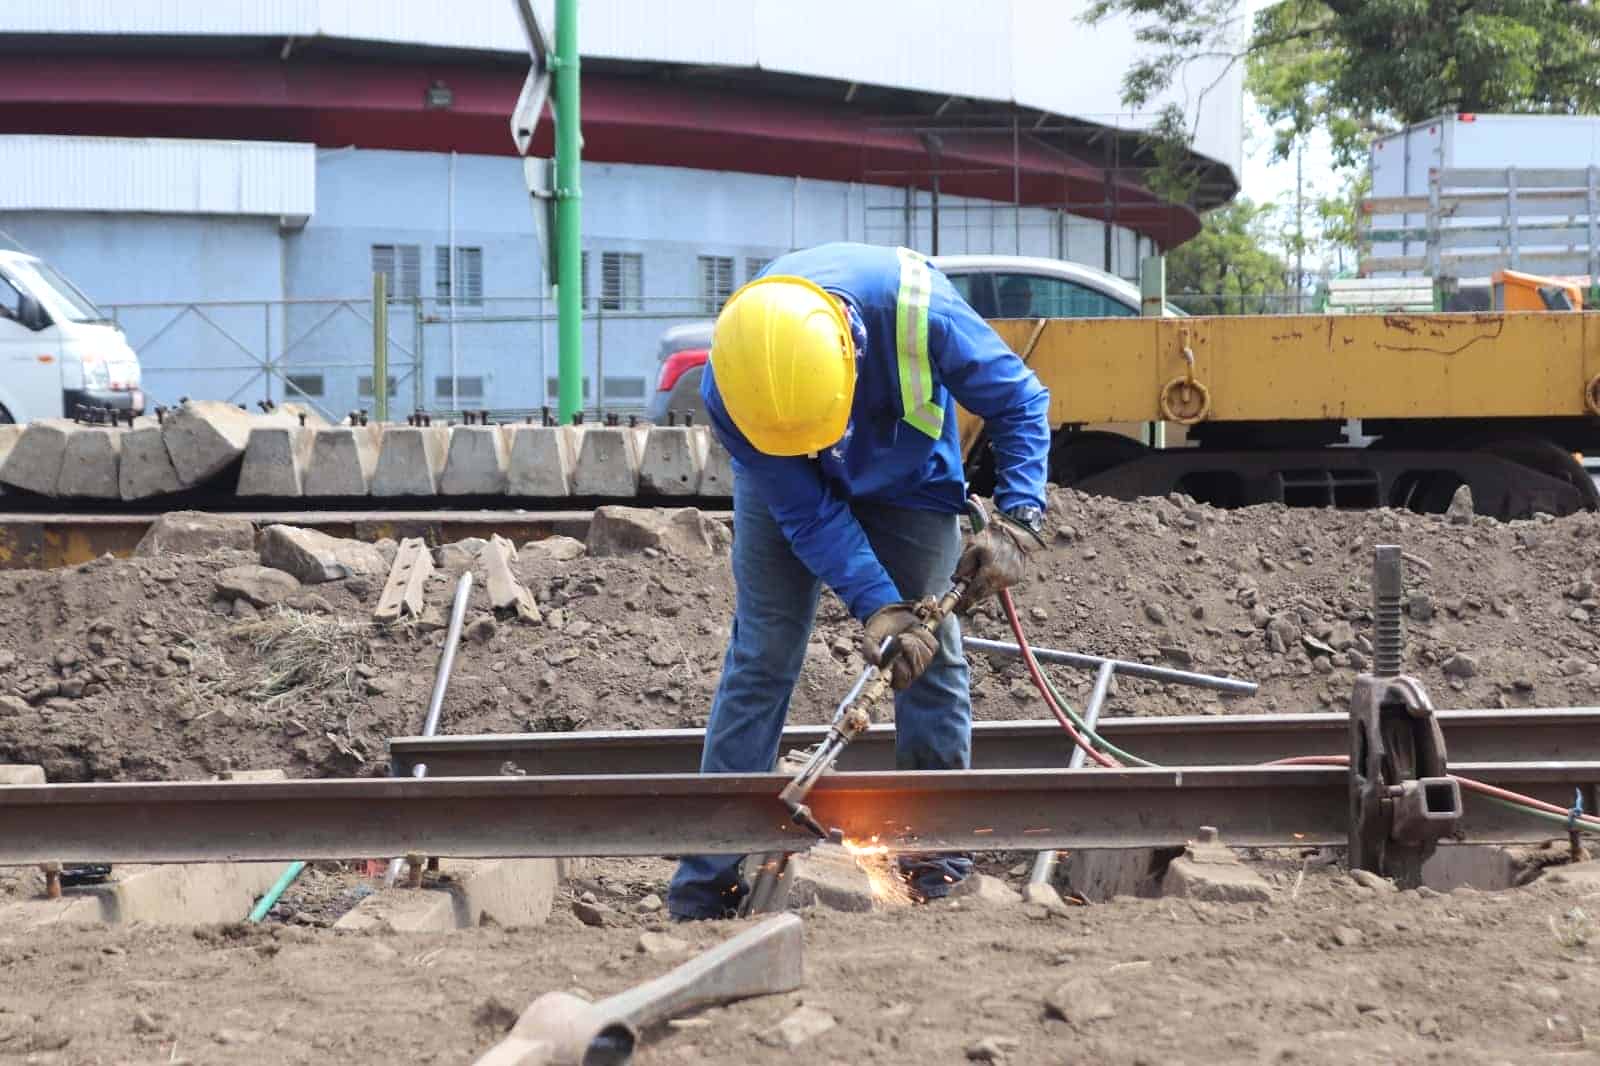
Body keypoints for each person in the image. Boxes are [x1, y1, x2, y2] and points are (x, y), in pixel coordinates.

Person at [666, 241, 1051, 920]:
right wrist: (880, 611)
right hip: (785, 486)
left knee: (936, 658)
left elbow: (1020, 402)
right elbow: (810, 515)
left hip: (907, 477)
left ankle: (934, 860)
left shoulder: (919, 310)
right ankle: (708, 880)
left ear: (853, 355)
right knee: (763, 653)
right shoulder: (736, 381)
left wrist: (1018, 519)